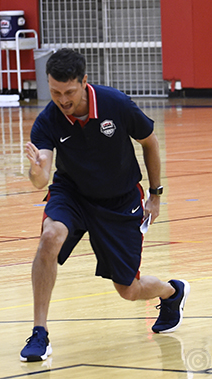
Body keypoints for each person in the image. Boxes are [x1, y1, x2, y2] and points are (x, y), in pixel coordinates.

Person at [20, 49, 190, 362]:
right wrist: (35, 169)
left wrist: (155, 193)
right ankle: (39, 332)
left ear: (84, 82)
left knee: (128, 289)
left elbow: (150, 142)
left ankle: (171, 292)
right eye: (55, 92)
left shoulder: (116, 104)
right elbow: (41, 179)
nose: (62, 99)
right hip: (72, 193)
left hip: (119, 200)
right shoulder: (48, 120)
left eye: (69, 92)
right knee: (49, 237)